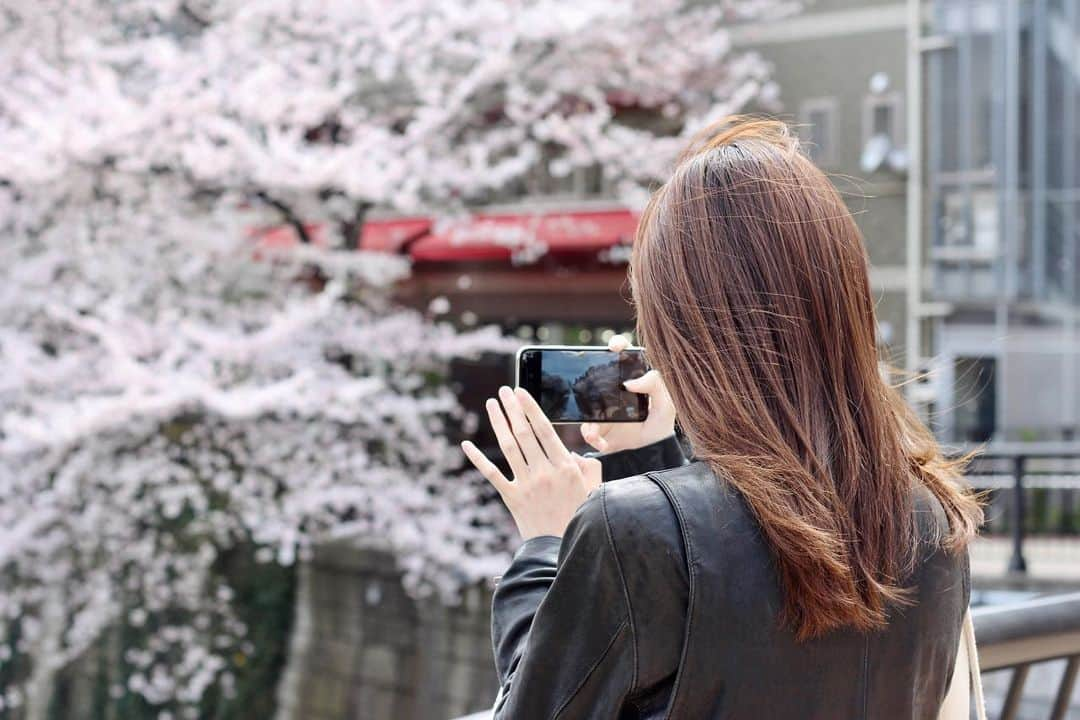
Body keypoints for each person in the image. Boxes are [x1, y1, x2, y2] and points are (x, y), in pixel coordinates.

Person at [460, 117, 983, 720]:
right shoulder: (932, 518)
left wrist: (548, 544)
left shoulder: (626, 527)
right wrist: (646, 461)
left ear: (680, 323)